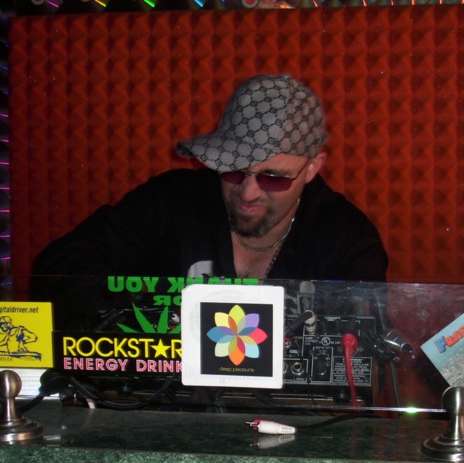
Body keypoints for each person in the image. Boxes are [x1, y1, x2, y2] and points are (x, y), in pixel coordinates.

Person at [30, 74, 389, 329]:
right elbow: (59, 270)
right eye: (232, 170)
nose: (247, 192)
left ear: (312, 168)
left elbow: (363, 356)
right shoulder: (171, 200)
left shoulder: (347, 239)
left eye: (273, 177)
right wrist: (151, 316)